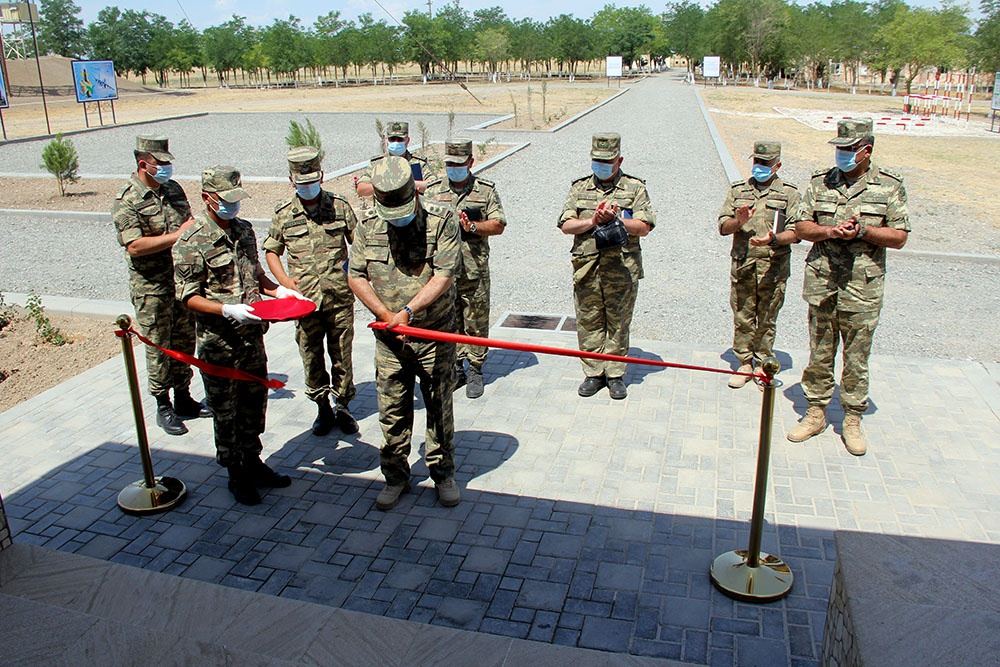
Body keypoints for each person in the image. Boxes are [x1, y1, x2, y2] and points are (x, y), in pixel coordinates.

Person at [173, 166, 303, 504]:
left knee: (254, 403)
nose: (233, 207)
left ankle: (255, 461)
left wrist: (279, 293)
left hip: (251, 339)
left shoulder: (244, 230)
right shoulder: (191, 240)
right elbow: (187, 295)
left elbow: (256, 274)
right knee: (226, 410)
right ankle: (236, 473)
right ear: (207, 198)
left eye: (236, 199)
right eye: (226, 200)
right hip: (220, 344)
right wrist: (225, 309)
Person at [788, 119, 910, 456]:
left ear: (866, 151)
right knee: (820, 352)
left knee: (857, 357)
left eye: (847, 149)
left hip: (862, 287)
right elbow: (800, 225)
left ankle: (852, 419)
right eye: (839, 148)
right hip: (823, 282)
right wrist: (829, 232)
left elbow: (899, 236)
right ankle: (815, 412)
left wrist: (863, 233)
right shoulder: (820, 183)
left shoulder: (889, 186)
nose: (841, 154)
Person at [347, 156, 462, 511]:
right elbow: (356, 275)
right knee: (393, 407)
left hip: (433, 334)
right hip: (390, 337)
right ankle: (396, 476)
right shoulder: (367, 225)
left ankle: (443, 473)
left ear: (414, 193)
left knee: (438, 405)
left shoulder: (442, 221)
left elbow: (443, 275)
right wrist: (385, 315)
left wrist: (408, 312)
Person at [112, 135, 210, 436]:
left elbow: (189, 222)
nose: (166, 169)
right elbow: (135, 246)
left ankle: (183, 396)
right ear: (144, 164)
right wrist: (177, 236)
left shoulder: (173, 189)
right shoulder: (128, 199)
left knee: (183, 340)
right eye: (160, 164)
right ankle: (162, 403)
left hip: (180, 282)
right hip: (151, 287)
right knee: (158, 345)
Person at [264, 146, 360, 437]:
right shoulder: (284, 213)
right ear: (292, 181)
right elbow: (271, 250)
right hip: (304, 302)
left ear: (321, 176)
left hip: (339, 298)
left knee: (342, 353)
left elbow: (360, 243)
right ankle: (322, 407)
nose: (307, 187)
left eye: (312, 181)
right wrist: (284, 282)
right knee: (311, 354)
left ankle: (342, 405)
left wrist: (358, 275)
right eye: (301, 183)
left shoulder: (340, 206)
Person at [558, 132, 655, 400]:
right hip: (587, 267)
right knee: (588, 321)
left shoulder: (634, 188)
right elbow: (566, 224)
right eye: (596, 160)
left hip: (621, 270)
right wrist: (593, 221)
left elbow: (645, 226)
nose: (600, 165)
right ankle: (593, 373)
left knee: (618, 322)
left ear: (619, 159)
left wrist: (616, 220)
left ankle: (614, 374)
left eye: (607, 161)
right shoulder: (579, 188)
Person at [426, 139, 507, 399]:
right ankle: (456, 367)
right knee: (449, 320)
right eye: (449, 164)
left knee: (476, 320)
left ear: (470, 163)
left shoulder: (485, 190)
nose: (453, 168)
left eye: (458, 164)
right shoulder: (433, 190)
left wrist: (473, 227)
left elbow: (498, 224)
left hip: (474, 269)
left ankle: (475, 368)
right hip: (443, 273)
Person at [717, 140, 800, 389]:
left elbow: (796, 231)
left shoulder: (789, 193)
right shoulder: (738, 191)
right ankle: (744, 363)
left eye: (765, 163)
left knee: (767, 318)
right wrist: (738, 221)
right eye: (757, 162)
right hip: (743, 264)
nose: (760, 167)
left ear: (777, 165)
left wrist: (774, 238)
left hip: (773, 267)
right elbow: (723, 227)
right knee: (743, 315)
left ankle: (764, 365)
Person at [355, 121, 438, 198]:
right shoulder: (377, 163)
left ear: (407, 140)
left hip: (414, 209)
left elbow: (434, 186)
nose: (396, 142)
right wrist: (385, 186)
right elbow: (361, 189)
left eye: (400, 139)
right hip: (385, 210)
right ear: (386, 140)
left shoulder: (418, 163)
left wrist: (406, 184)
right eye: (392, 139)